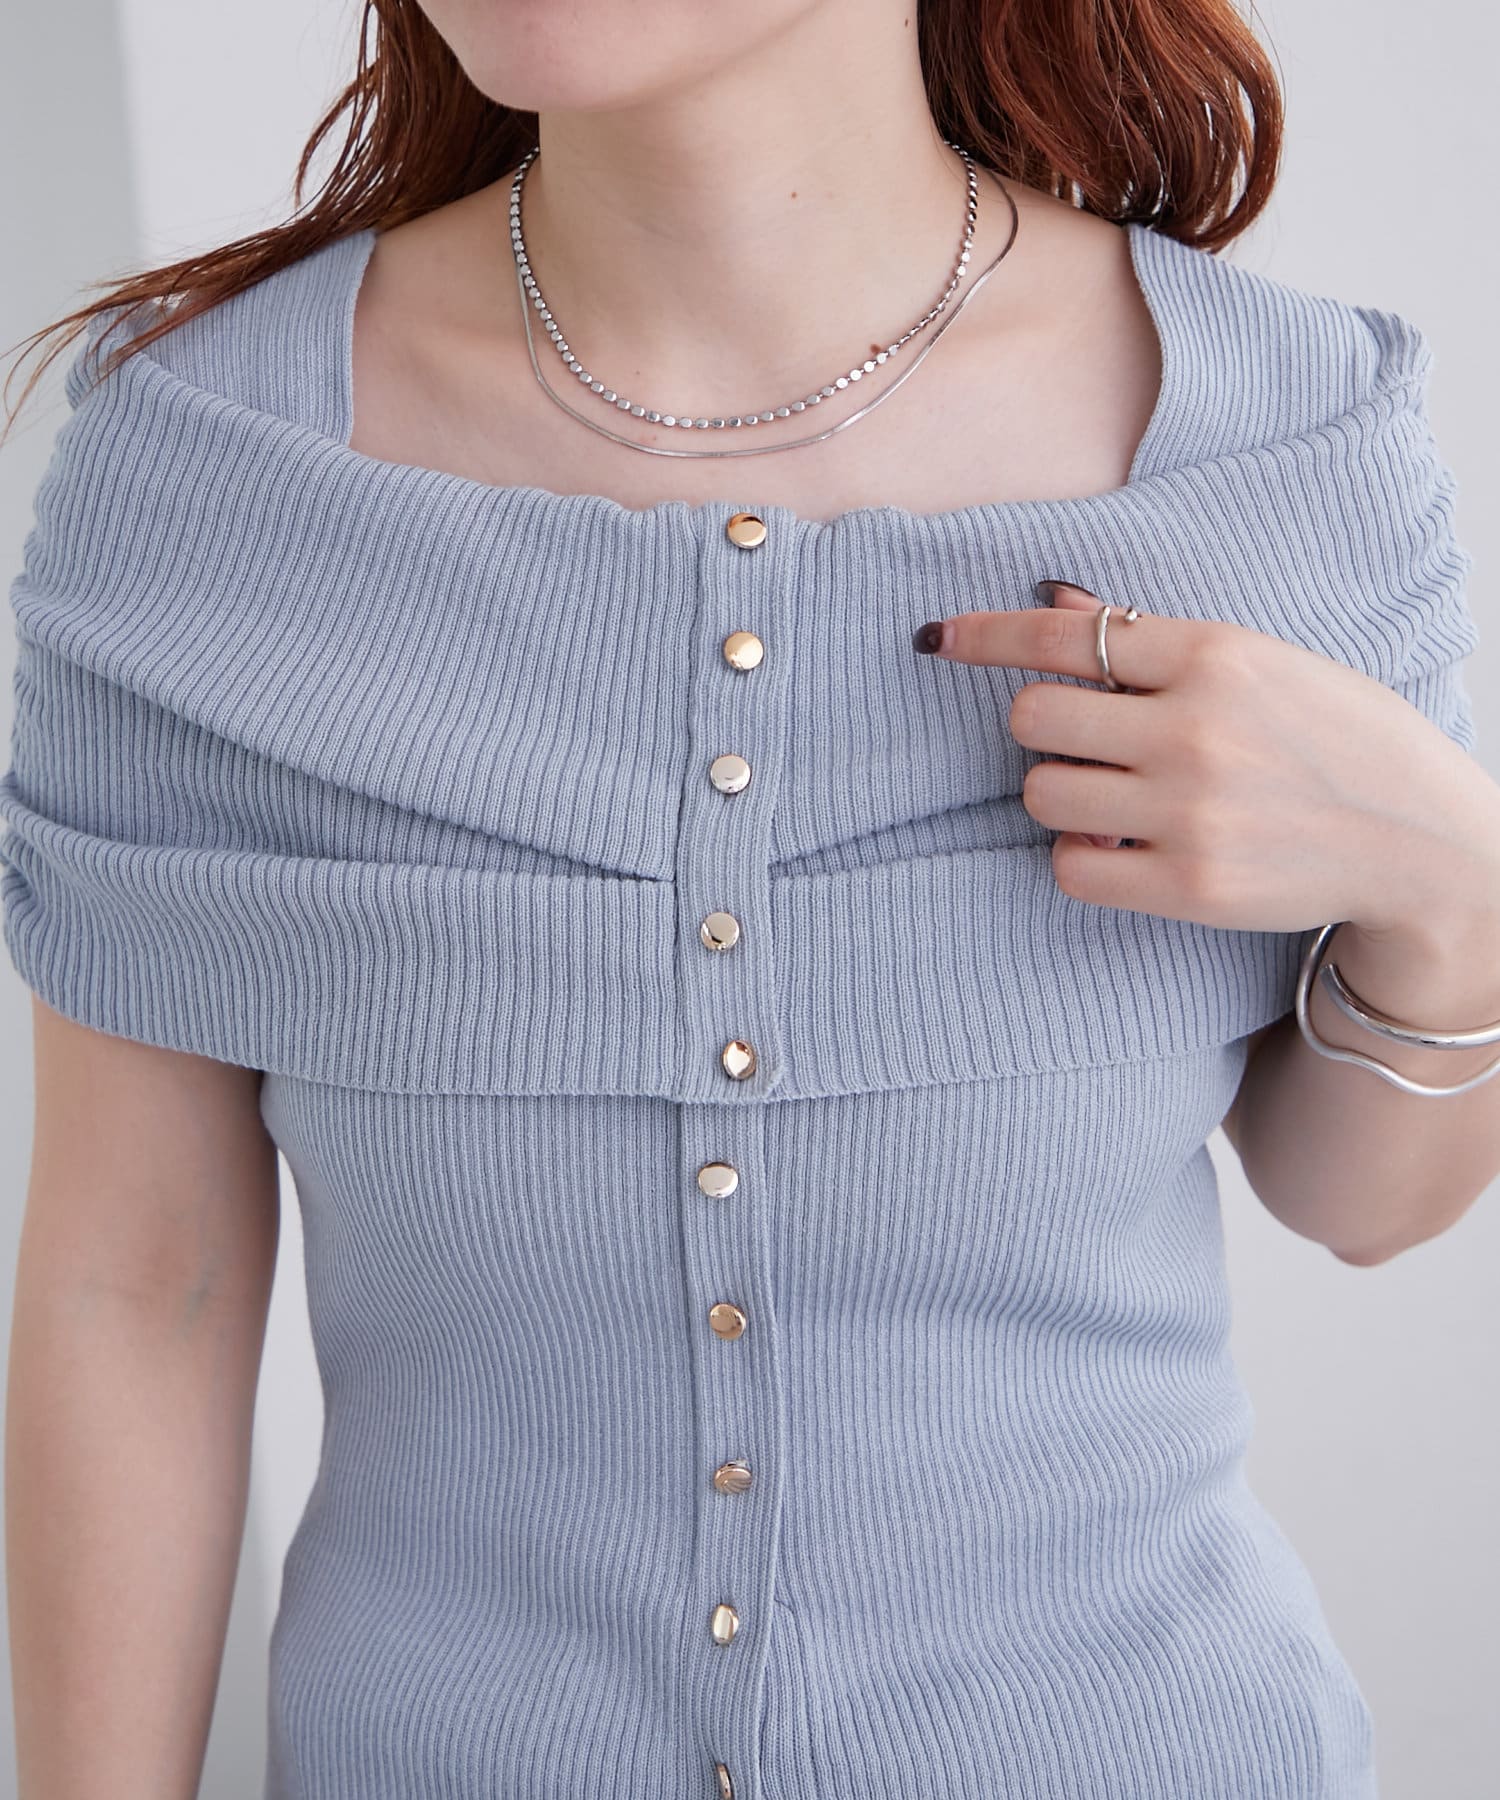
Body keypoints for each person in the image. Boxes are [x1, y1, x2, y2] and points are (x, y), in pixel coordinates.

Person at [2, 2, 1497, 1797]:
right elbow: (138, 1280)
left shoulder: (1289, 440)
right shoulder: (205, 472)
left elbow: (1357, 1198)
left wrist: (1456, 884)